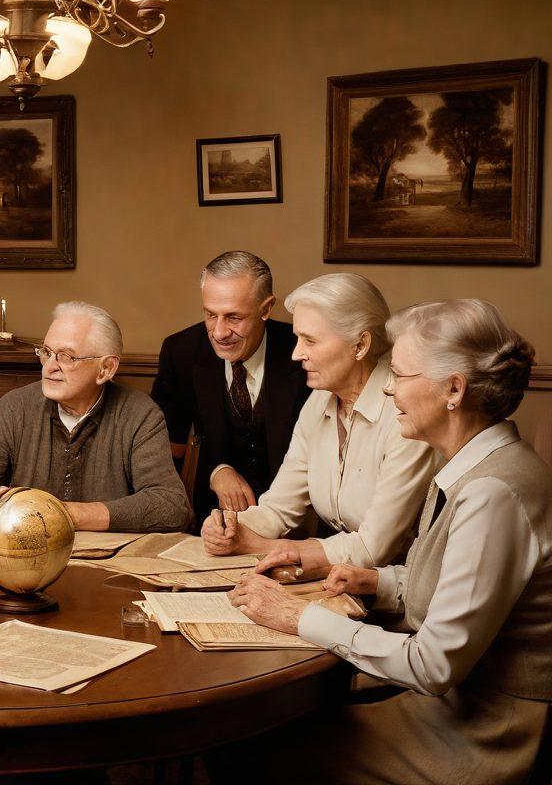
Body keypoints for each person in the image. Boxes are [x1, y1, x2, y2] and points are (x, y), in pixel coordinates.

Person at [223, 299, 550, 785]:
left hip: (488, 729)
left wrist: (299, 617)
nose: (390, 389)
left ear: (453, 390)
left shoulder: (490, 494)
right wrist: (377, 581)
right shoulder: (474, 465)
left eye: (400, 375)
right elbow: (461, 584)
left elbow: (433, 664)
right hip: (457, 702)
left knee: (251, 747)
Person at [202, 273, 436, 576]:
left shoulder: (405, 413)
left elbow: (372, 549)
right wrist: (230, 527)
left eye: (309, 340)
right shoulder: (318, 402)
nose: (296, 354)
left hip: (403, 594)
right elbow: (278, 509)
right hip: (342, 581)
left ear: (361, 344)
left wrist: (257, 546)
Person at [0, 301, 191, 533]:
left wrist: (63, 513)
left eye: (66, 356)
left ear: (106, 369)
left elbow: (171, 506)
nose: (50, 366)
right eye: (46, 352)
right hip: (24, 566)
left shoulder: (139, 415)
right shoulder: (15, 408)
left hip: (110, 570)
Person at [153, 251, 311, 513]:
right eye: (210, 315)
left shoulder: (303, 354)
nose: (219, 332)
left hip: (297, 517)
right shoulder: (180, 351)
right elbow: (166, 449)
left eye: (234, 317)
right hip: (213, 516)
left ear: (266, 308)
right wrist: (217, 470)